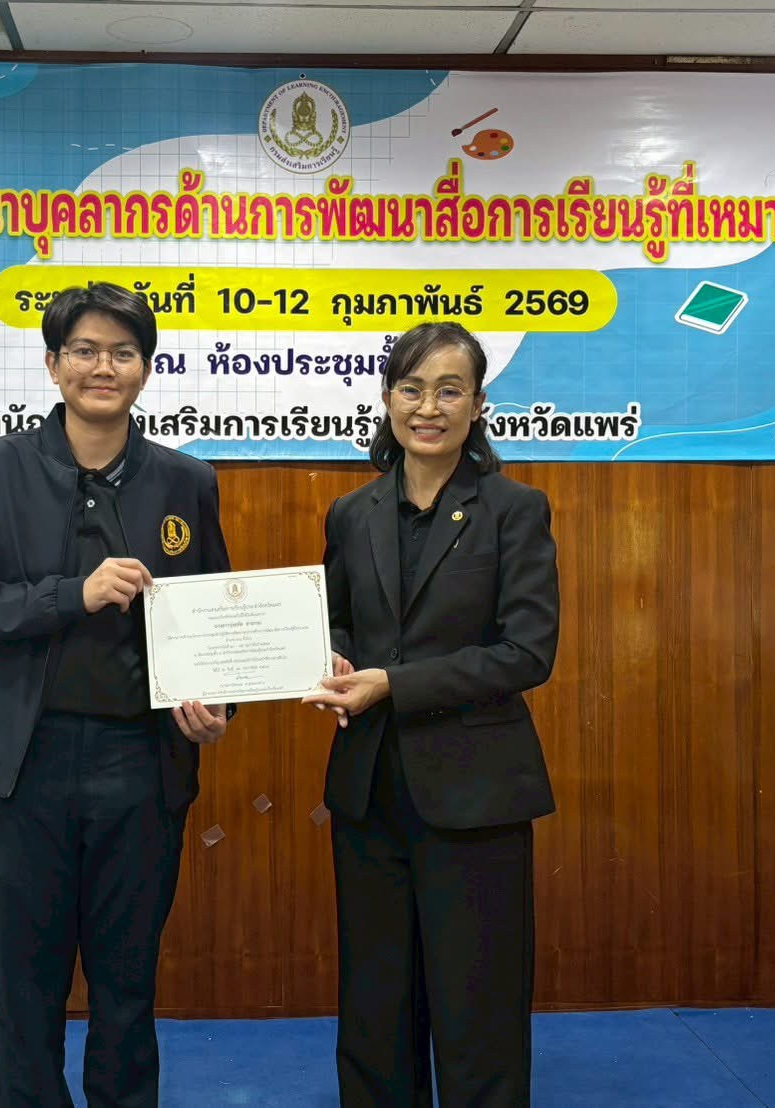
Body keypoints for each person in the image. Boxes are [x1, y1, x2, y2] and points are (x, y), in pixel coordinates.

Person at [0, 282, 233, 1107]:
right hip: (21, 767)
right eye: (85, 351)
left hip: (140, 765)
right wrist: (73, 593)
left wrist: (214, 705)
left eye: (122, 353)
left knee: (128, 986)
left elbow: (214, 617)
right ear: (53, 364)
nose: (104, 367)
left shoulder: (186, 481)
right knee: (26, 990)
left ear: (145, 369)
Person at [303, 321, 559, 1107]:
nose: (427, 408)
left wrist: (393, 683)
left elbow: (526, 652)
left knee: (477, 1006)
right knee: (375, 1002)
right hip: (369, 789)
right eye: (411, 389)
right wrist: (334, 658)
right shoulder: (351, 513)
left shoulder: (513, 510)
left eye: (449, 390)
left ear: (477, 405)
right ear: (387, 399)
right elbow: (335, 621)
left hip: (476, 793)